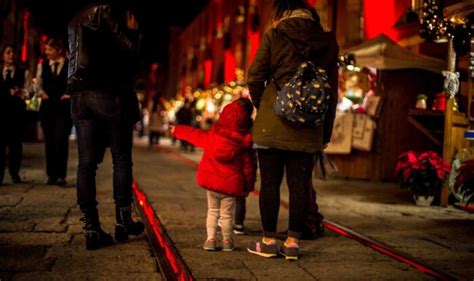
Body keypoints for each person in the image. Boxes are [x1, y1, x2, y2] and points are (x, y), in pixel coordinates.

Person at [246, 0, 338, 260]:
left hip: (272, 124)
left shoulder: (275, 34)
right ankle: (292, 244)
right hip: (309, 127)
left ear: (282, 13)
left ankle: (267, 242)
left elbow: (254, 76)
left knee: (270, 184)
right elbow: (332, 91)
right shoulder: (328, 42)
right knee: (300, 186)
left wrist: (265, 104)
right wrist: (325, 132)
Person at [68, 0, 144, 250]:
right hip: (105, 92)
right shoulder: (106, 9)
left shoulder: (76, 16)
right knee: (121, 158)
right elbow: (128, 51)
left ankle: (91, 227)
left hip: (79, 95)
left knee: (86, 164)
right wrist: (132, 31)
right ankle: (123, 220)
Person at [170, 98, 256, 251]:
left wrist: (176, 130)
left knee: (212, 211)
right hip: (231, 185)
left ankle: (210, 240)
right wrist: (248, 187)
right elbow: (249, 169)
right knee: (227, 215)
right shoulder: (244, 145)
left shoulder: (212, 137)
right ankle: (227, 241)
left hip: (212, 183)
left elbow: (194, 134)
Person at [37, 38, 72, 186]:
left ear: (58, 50)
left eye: (50, 50)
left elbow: (74, 82)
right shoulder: (43, 65)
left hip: (63, 108)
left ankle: (61, 175)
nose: (47, 52)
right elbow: (37, 83)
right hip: (48, 108)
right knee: (49, 142)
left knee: (61, 140)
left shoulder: (69, 65)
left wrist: (70, 93)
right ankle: (51, 175)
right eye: (46, 50)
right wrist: (41, 93)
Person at [0, 44, 29, 185]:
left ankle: (14, 173)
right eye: (8, 52)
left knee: (16, 145)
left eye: (13, 52)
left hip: (16, 114)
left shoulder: (22, 72)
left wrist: (20, 92)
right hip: (1, 114)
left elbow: (29, 92)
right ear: (2, 55)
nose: (11, 55)